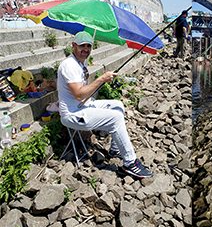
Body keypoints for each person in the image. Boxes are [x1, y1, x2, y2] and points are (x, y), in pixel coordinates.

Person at [57, 31, 152, 178]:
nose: (86, 49)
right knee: (115, 118)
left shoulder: (80, 63)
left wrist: (102, 80)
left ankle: (115, 149)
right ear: (73, 45)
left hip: (84, 105)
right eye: (82, 46)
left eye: (89, 46)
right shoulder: (69, 65)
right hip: (73, 114)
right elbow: (79, 94)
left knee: (118, 105)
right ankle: (130, 163)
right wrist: (101, 79)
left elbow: (84, 94)